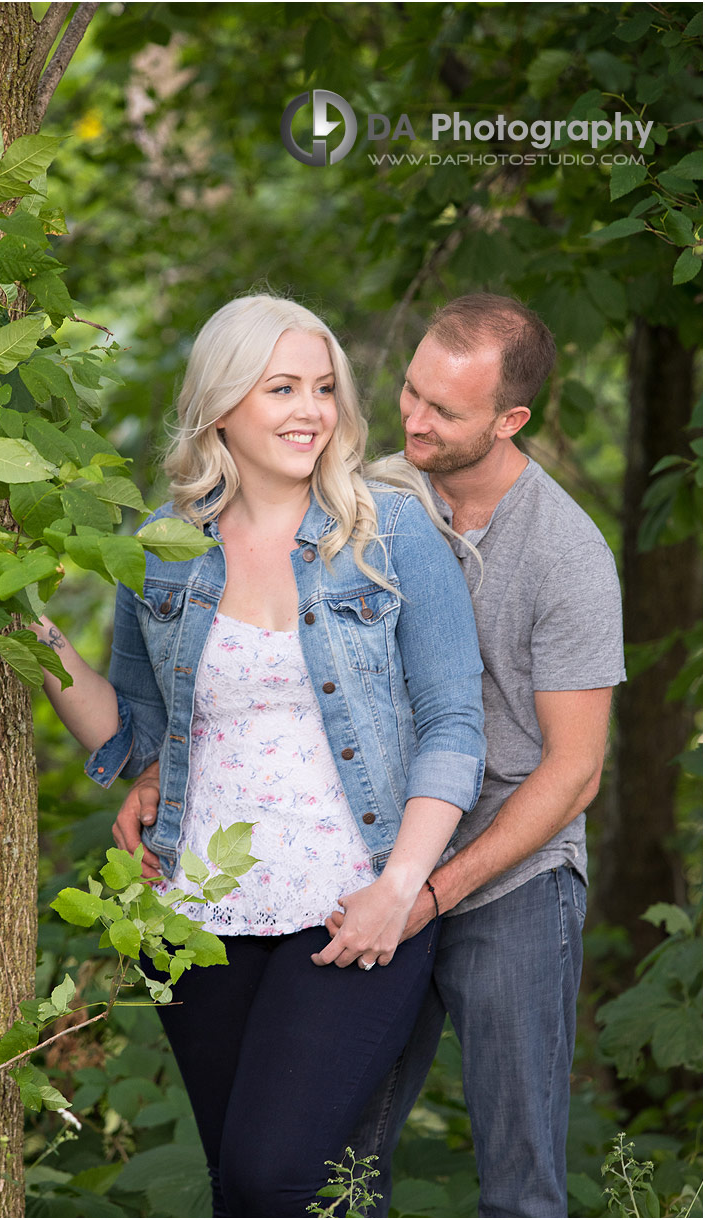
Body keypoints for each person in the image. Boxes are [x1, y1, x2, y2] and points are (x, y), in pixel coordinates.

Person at [115, 292, 626, 1217]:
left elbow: (573, 770)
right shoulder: (370, 494)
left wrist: (422, 889)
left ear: (510, 421)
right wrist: (160, 769)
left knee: (518, 1179)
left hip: (505, 873)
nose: (414, 422)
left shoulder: (566, 554)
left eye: (445, 411)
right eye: (408, 393)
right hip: (363, 855)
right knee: (338, 1171)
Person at [32, 294, 486, 1218]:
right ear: (221, 404)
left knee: (271, 1177)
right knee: (245, 1193)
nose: (310, 411)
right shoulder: (166, 548)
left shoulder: (391, 534)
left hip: (356, 898)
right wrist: (36, 640)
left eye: (323, 388)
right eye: (281, 387)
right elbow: (140, 730)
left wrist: (401, 886)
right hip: (195, 909)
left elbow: (453, 723)